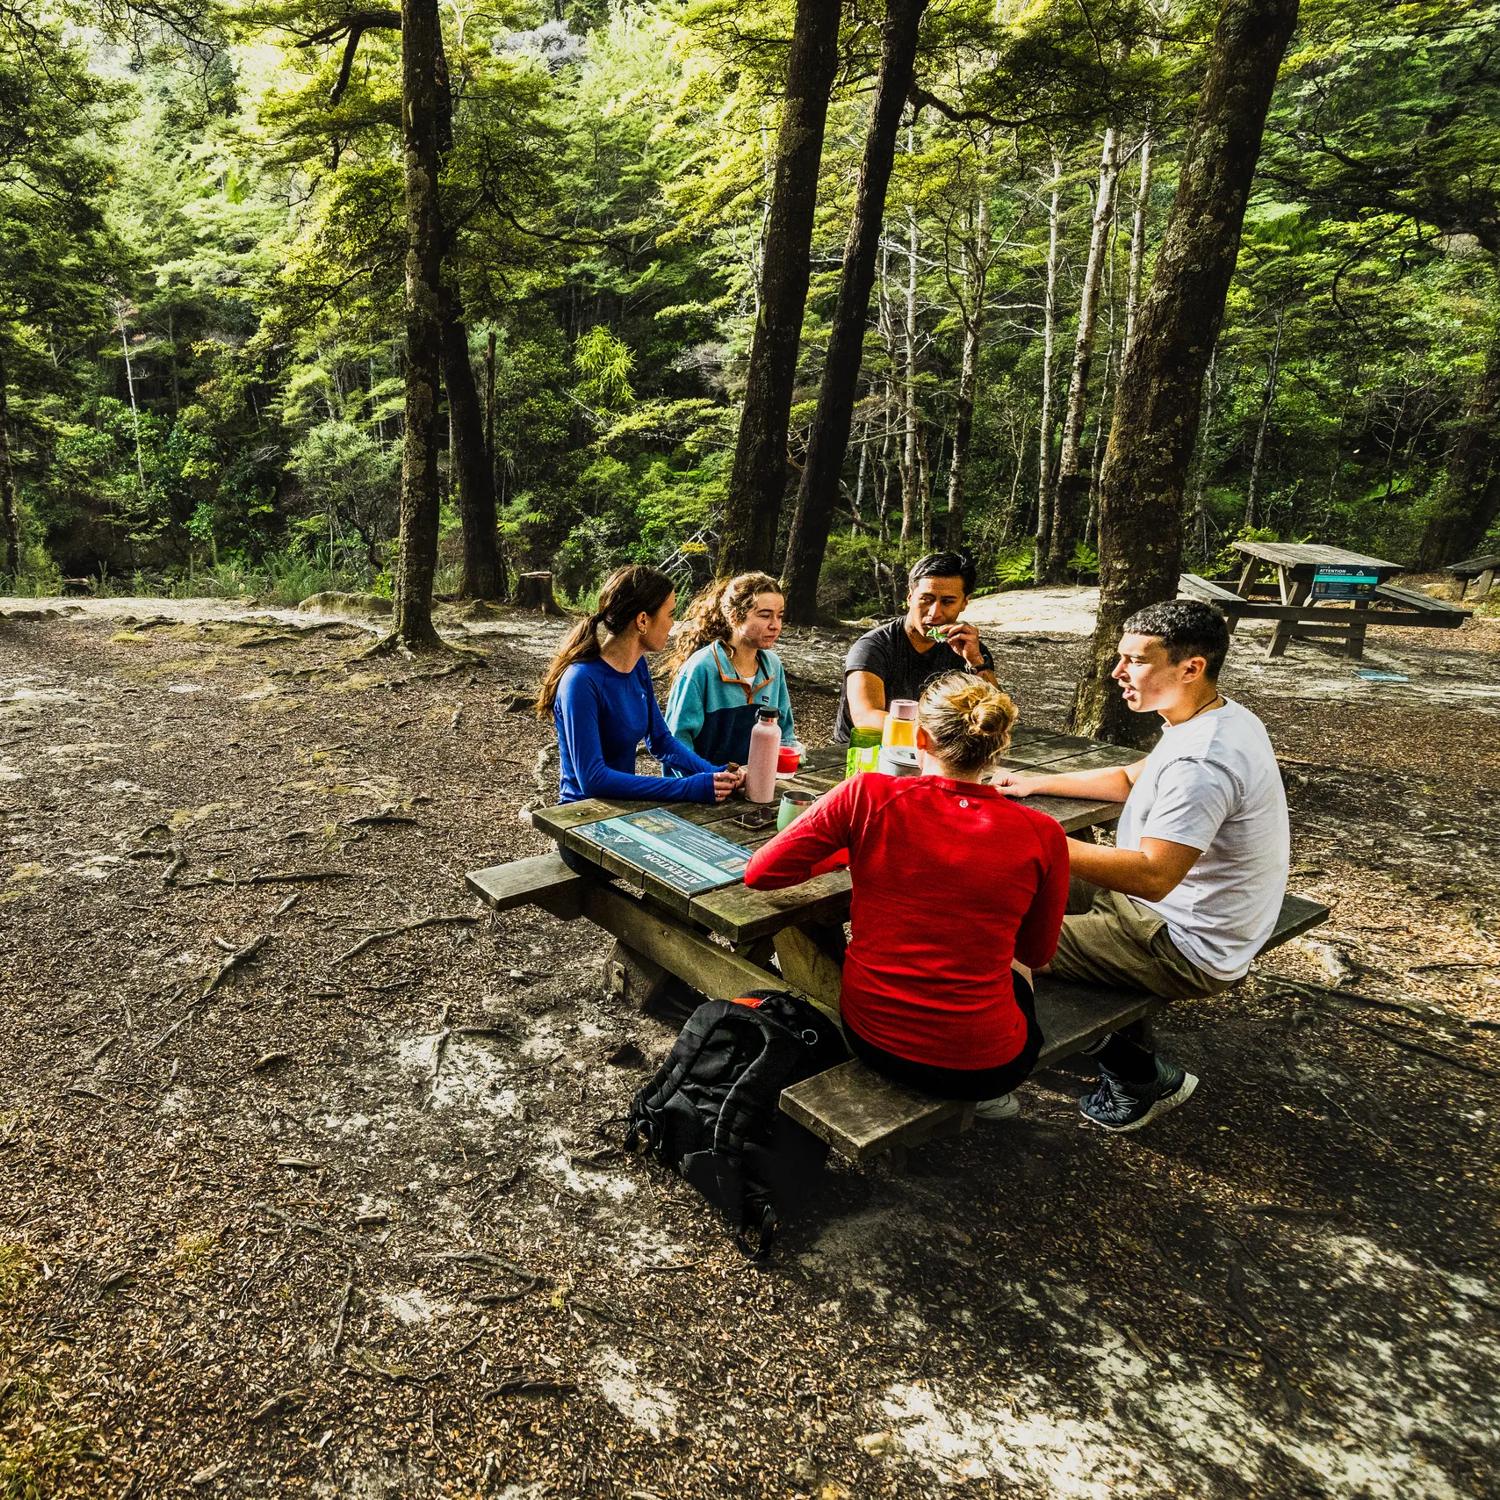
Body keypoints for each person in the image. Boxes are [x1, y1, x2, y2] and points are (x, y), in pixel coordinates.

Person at [997, 600, 1290, 1132]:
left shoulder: (1203, 763)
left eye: (1135, 660)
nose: (1116, 673)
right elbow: (1134, 777)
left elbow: (1154, 876)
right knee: (1012, 886)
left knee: (994, 937)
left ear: (1191, 667)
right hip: (1161, 910)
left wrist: (1027, 837)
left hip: (1181, 942)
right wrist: (1032, 784)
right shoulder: (1213, 716)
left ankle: (1129, 1073)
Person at [746, 673, 1068, 1117]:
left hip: (871, 1037)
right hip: (988, 1066)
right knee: (1012, 961)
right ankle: (989, 1093)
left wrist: (847, 853)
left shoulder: (868, 795)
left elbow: (761, 872)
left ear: (919, 737)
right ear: (999, 745)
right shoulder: (1043, 834)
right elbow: (1036, 953)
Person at [535, 564, 742, 806]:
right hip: (580, 817)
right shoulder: (580, 681)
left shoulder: (637, 667)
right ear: (643, 620)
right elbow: (592, 779)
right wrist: (686, 787)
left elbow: (661, 741)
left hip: (623, 808)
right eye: (670, 614)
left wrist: (715, 775)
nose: (672, 624)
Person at [834, 550, 998, 744]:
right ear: (910, 597)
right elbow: (866, 718)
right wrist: (943, 730)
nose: (934, 612)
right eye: (926, 599)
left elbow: (995, 715)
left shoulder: (969, 648)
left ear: (964, 603)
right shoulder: (873, 647)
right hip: (867, 754)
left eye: (948, 602)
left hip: (938, 754)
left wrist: (976, 661)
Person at [663, 572, 796, 764]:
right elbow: (676, 743)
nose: (775, 625)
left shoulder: (773, 666)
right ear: (734, 617)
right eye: (765, 615)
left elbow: (785, 735)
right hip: (705, 788)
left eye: (780, 616)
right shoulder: (701, 668)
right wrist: (709, 780)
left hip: (760, 787)